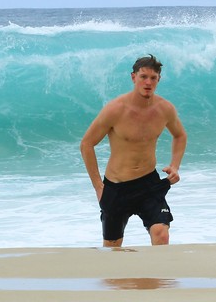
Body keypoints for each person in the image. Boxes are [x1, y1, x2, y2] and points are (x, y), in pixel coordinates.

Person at [80, 54, 187, 247]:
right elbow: (87, 144)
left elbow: (180, 135)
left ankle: (157, 278)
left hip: (149, 184)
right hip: (116, 187)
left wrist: (175, 166)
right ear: (133, 77)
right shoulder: (115, 109)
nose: (148, 82)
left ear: (159, 80)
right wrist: (98, 186)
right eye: (143, 77)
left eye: (153, 78)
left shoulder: (165, 109)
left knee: (161, 234)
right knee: (113, 248)